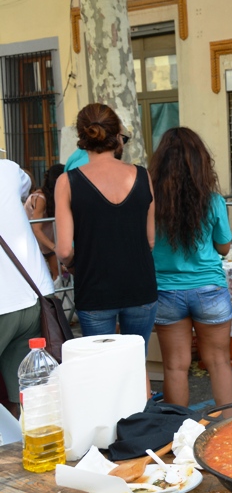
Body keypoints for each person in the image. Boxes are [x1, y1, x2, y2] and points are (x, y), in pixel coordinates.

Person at [55, 103, 158, 353]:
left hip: (94, 290)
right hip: (140, 287)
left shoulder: (67, 182)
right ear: (117, 134)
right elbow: (150, 240)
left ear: (81, 137)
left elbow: (64, 250)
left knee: (101, 369)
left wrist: (74, 265)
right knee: (135, 366)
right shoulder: (144, 176)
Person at [149, 127, 232, 410]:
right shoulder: (212, 201)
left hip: (165, 290)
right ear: (201, 162)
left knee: (175, 367)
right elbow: (224, 246)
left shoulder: (151, 203)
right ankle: (230, 430)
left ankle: (176, 438)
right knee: (219, 362)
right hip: (209, 289)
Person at [0, 159, 56, 418]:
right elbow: (26, 185)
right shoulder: (8, 169)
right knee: (26, 396)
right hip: (33, 294)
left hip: (6, 302)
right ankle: (19, 449)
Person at [24, 163, 64, 280]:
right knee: (38, 276)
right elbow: (36, 229)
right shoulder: (40, 198)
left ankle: (57, 297)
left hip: (47, 238)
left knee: (57, 273)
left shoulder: (56, 196)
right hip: (34, 240)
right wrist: (54, 247)